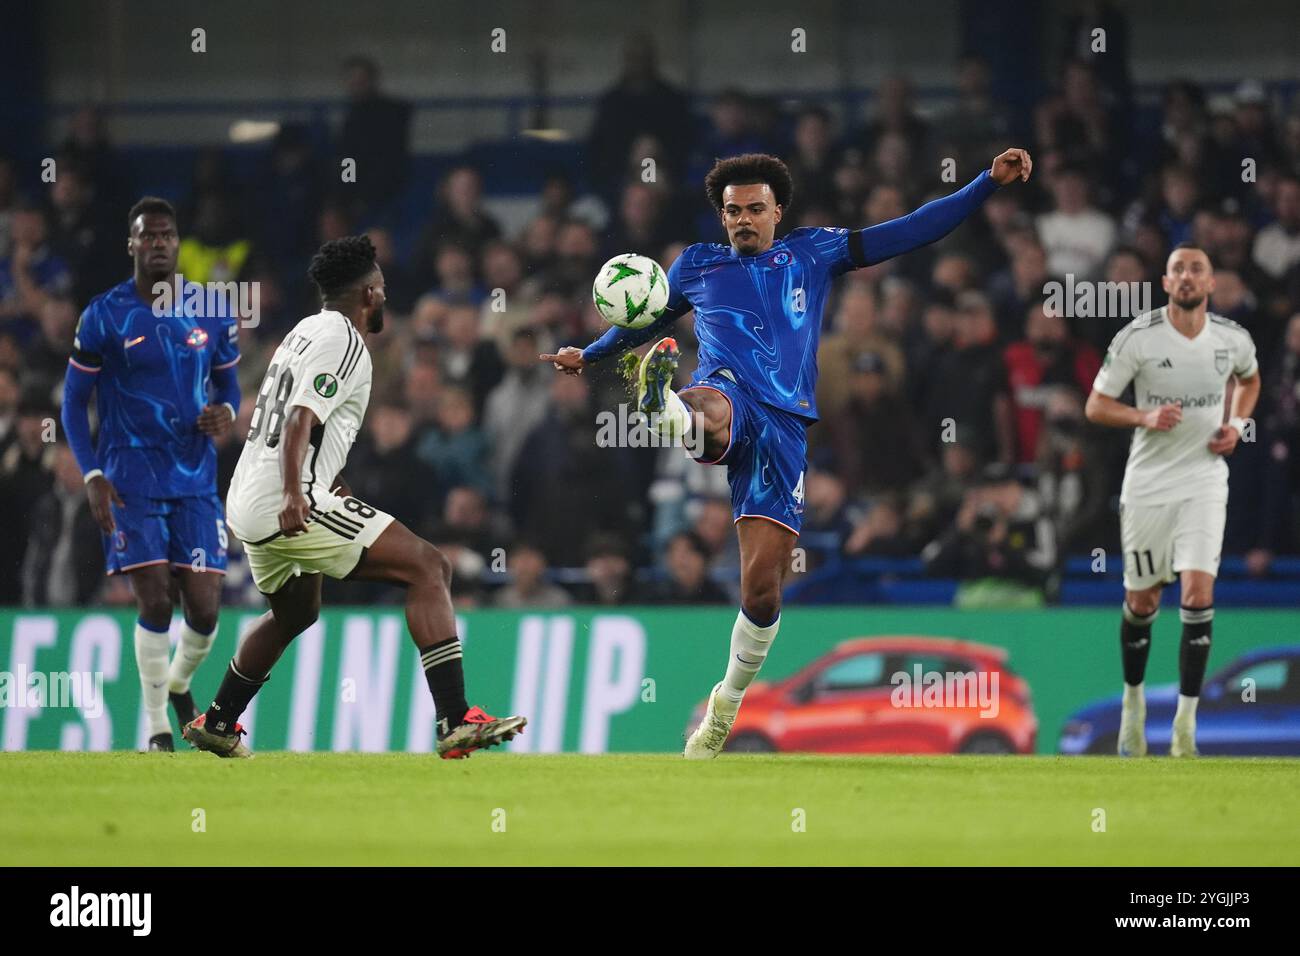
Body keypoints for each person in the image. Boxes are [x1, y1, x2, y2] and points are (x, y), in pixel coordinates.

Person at [543, 147, 1032, 758]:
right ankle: (663, 407)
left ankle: (726, 702)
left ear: (778, 211)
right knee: (712, 411)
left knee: (762, 592)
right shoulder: (696, 265)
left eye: (753, 208)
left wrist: (986, 182)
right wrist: (590, 354)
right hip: (726, 391)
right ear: (721, 217)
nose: (742, 219)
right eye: (731, 211)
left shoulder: (813, 252)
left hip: (787, 427)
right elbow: (642, 317)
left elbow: (909, 231)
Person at [188, 235, 523, 759]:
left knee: (295, 613)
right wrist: (299, 493)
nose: (385, 297)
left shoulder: (304, 331)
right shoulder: (343, 338)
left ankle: (219, 722)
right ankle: (456, 719)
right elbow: (302, 417)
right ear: (369, 292)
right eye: (383, 288)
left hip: (249, 496)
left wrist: (325, 485)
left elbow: (297, 424)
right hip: (284, 494)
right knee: (429, 567)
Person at [61, 197, 240, 751]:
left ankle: (180, 685)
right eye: (148, 235)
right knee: (157, 600)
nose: (159, 243)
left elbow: (228, 384)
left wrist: (227, 411)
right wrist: (91, 473)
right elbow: (73, 403)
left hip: (195, 479)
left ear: (178, 242)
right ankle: (157, 726)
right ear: (132, 244)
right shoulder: (104, 314)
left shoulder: (210, 309)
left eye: (167, 235)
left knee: (206, 610)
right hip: (128, 478)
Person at [1085, 242, 1261, 757]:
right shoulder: (1138, 338)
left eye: (1197, 270)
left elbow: (1250, 381)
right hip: (1148, 485)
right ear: (1165, 283)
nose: (1186, 277)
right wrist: (1143, 417)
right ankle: (1133, 706)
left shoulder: (1233, 340)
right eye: (1178, 269)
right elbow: (1096, 404)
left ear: (1211, 284)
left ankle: (1185, 724)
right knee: (1143, 601)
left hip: (1205, 480)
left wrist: (1236, 424)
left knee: (1198, 595)